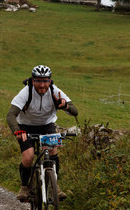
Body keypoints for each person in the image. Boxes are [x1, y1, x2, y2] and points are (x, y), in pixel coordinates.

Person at [6, 65, 78, 202]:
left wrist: (65, 106)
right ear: (33, 81)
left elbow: (75, 111)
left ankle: (54, 187)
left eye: (45, 81)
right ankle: (25, 187)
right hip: (25, 127)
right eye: (39, 81)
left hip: (46, 126)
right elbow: (10, 115)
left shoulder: (55, 92)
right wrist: (17, 131)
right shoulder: (26, 92)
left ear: (50, 81)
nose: (42, 84)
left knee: (53, 152)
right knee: (28, 156)